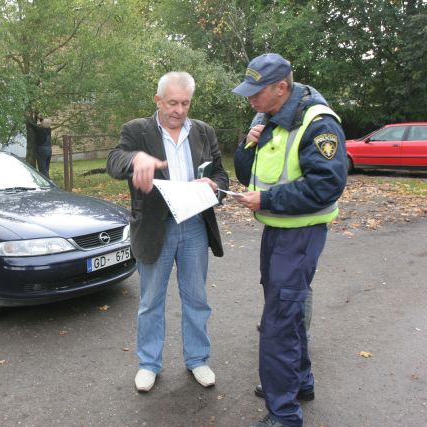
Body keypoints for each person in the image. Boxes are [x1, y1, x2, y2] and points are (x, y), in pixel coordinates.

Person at [231, 53, 348, 427]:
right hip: (276, 229)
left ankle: (283, 414)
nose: (249, 99)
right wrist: (248, 145)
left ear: (282, 88)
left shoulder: (318, 122)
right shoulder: (266, 117)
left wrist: (267, 200)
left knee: (279, 320)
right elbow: (248, 174)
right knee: (288, 310)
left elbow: (327, 185)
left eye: (256, 92)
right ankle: (301, 382)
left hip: (301, 232)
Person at [107, 71, 229, 392]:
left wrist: (215, 186)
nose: (178, 110)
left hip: (194, 226)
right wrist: (136, 158)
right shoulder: (137, 130)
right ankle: (149, 363)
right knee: (151, 300)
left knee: (196, 298)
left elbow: (220, 173)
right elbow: (114, 160)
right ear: (158, 100)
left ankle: (198, 359)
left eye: (185, 103)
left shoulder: (203, 132)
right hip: (154, 227)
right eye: (172, 102)